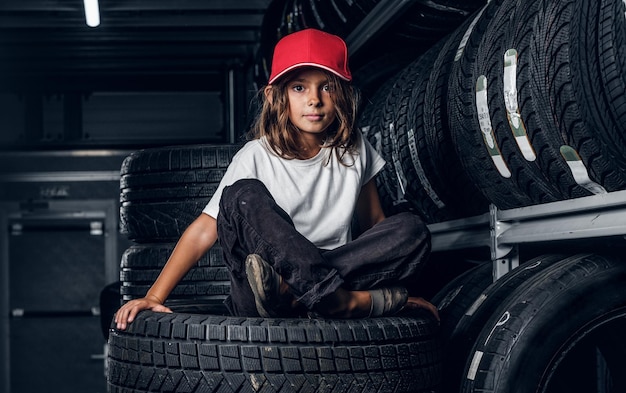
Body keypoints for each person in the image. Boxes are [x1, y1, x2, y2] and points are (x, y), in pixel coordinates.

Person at [114, 28, 437, 330]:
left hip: (331, 275)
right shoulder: (257, 154)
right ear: (274, 96)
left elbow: (374, 226)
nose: (315, 99)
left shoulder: (354, 148)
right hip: (263, 289)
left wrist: (387, 270)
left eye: (327, 86)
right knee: (242, 195)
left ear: (342, 94)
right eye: (299, 88)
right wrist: (155, 296)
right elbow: (202, 231)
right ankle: (338, 302)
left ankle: (309, 296)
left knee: (411, 229)